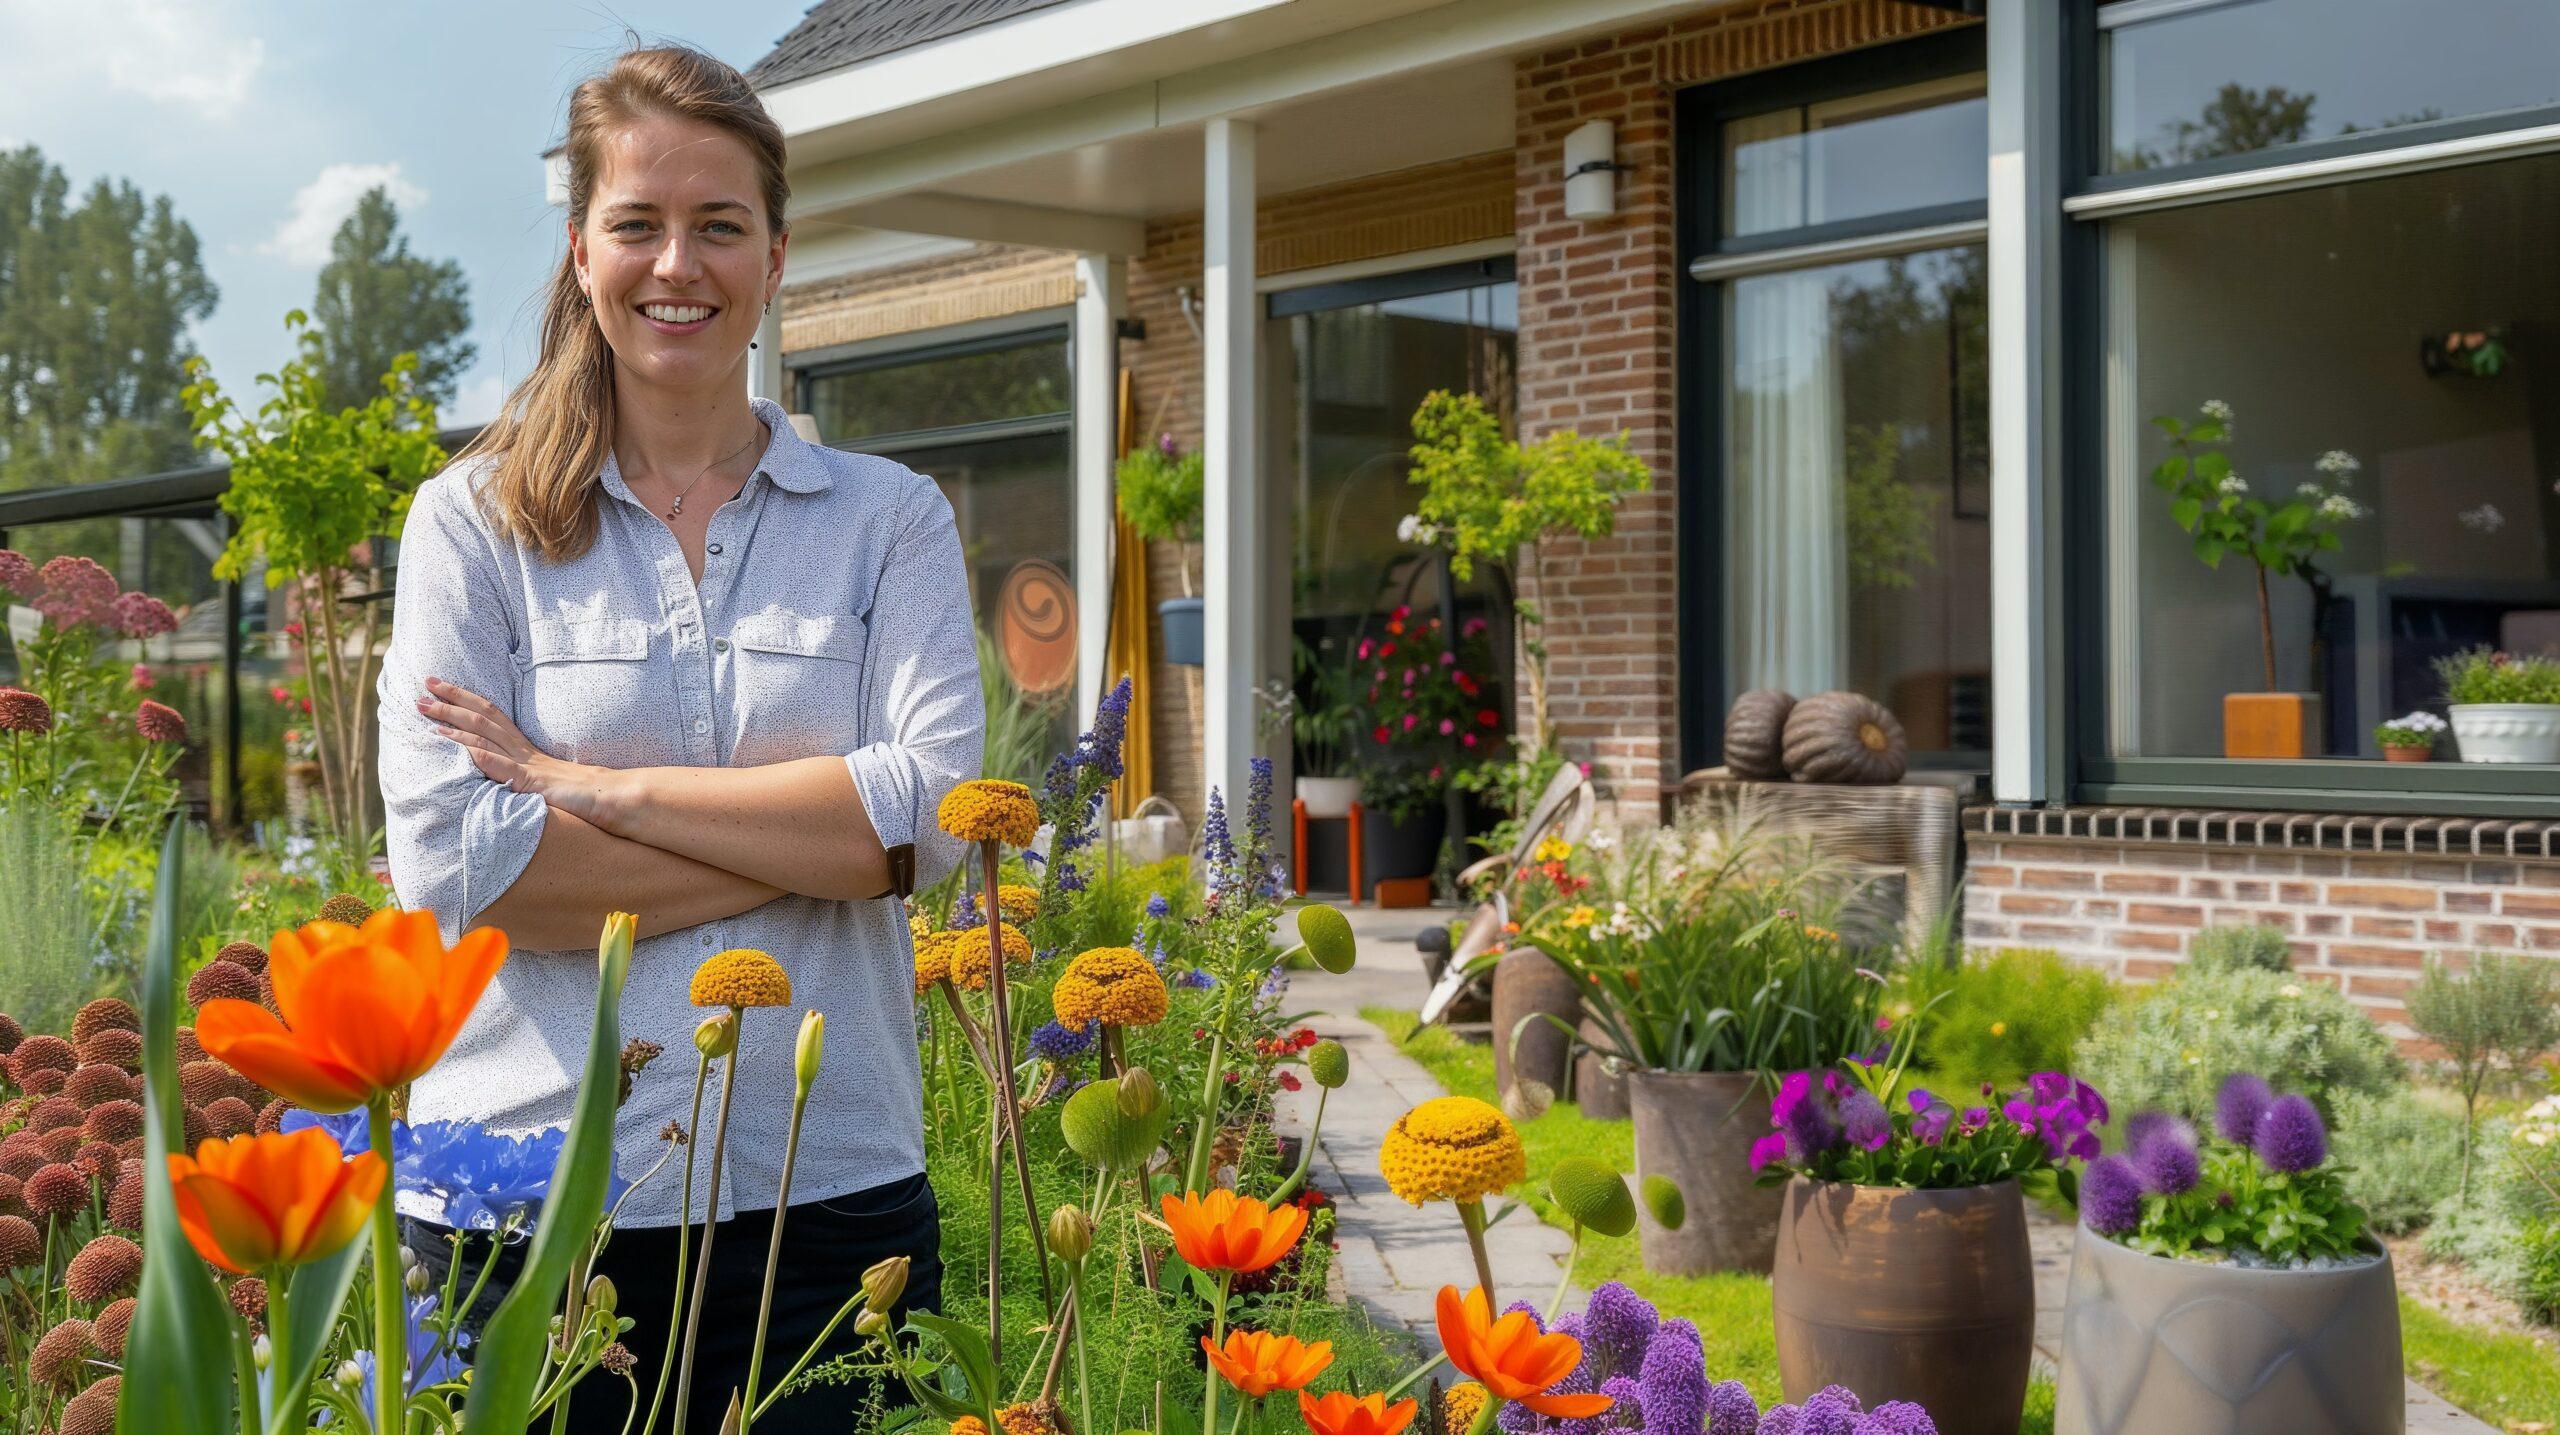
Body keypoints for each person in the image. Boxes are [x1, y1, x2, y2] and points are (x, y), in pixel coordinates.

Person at [373, 44, 981, 1434]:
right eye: (638, 224)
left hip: (827, 1194)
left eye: (719, 225)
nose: (677, 265)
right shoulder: (470, 526)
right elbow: (461, 865)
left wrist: (593, 787)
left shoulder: (891, 519)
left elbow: (937, 818)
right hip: (525, 1195)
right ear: (582, 247)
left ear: (777, 249)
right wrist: (822, 844)